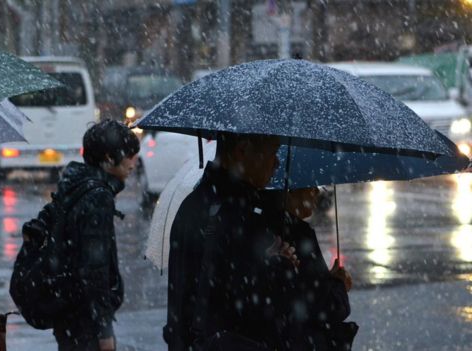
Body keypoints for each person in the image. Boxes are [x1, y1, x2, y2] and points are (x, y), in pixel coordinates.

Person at [165, 132, 302, 350]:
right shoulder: (234, 212)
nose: (277, 163)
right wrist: (282, 265)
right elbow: (242, 296)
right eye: (272, 152)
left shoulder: (199, 203)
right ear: (243, 150)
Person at [52, 120, 140, 351]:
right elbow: (95, 268)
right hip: (85, 321)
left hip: (68, 313)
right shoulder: (98, 197)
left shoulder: (76, 184)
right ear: (109, 159)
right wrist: (104, 331)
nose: (134, 162)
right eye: (130, 155)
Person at [264, 187, 355, 350]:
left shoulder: (263, 224)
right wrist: (339, 285)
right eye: (311, 187)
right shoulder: (297, 234)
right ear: (289, 191)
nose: (317, 192)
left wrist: (328, 279)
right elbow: (324, 306)